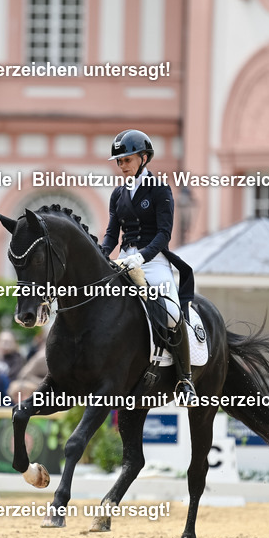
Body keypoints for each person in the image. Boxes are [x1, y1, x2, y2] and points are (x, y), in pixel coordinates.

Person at [99, 129, 197, 405]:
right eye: (119, 162)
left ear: (143, 158)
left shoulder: (160, 189)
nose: (122, 166)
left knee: (171, 312)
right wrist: (102, 254)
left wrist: (142, 256)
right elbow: (111, 233)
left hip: (152, 261)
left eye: (127, 160)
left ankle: (185, 378)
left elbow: (164, 233)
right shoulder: (118, 194)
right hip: (123, 260)